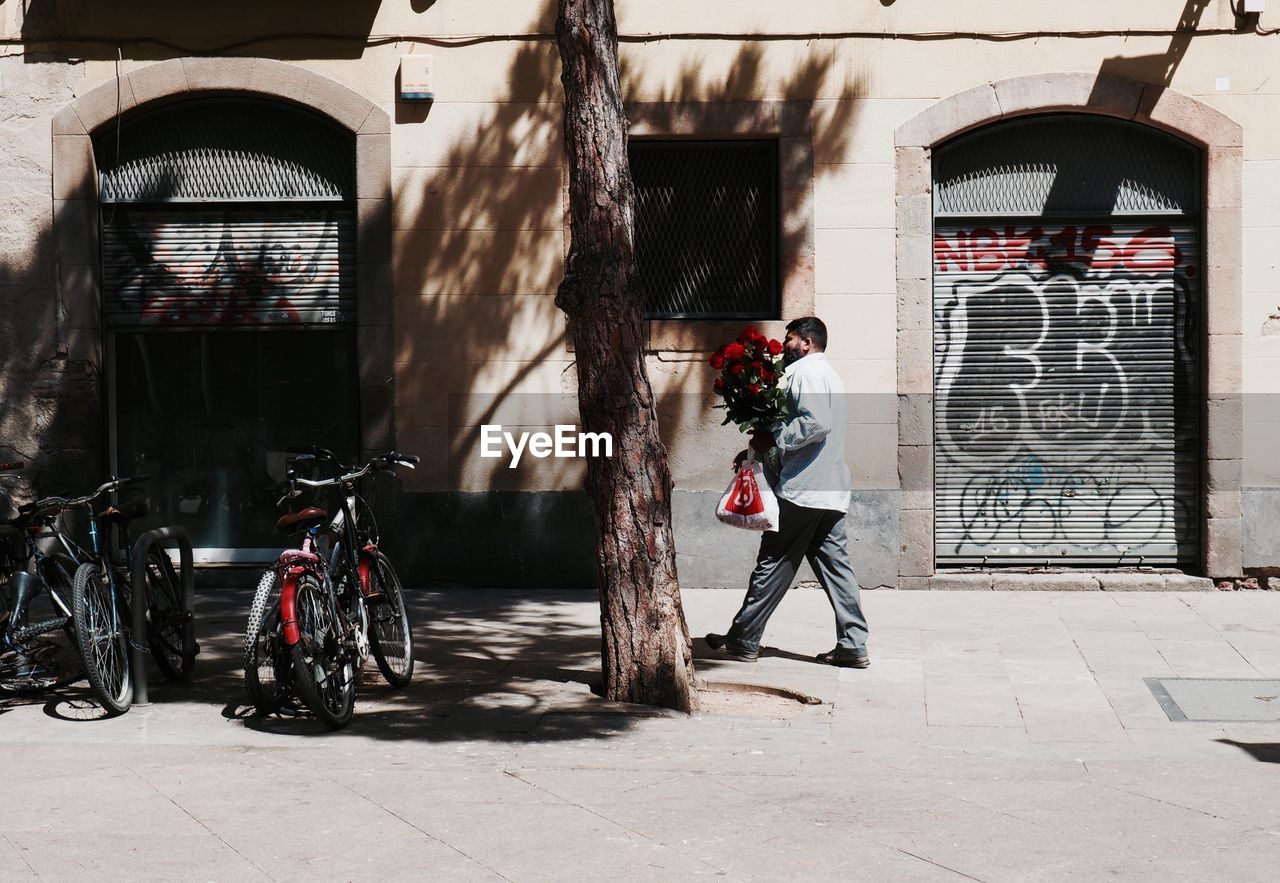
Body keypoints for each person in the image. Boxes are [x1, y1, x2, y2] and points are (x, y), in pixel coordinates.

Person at [706, 316, 871, 668]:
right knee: (836, 570)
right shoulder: (829, 374)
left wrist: (775, 441)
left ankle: (744, 638)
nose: (786, 344)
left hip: (804, 489)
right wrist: (759, 449)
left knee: (773, 562)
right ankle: (853, 645)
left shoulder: (807, 373)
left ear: (807, 343)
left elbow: (816, 423)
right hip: (829, 490)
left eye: (791, 338)